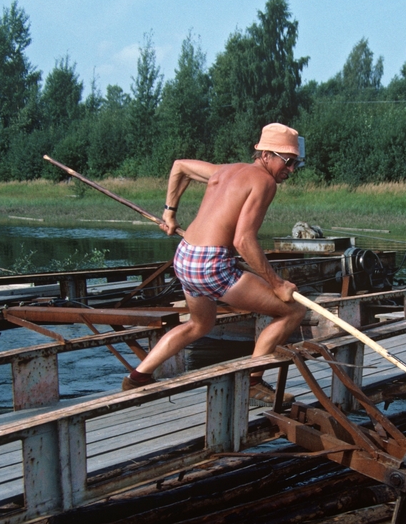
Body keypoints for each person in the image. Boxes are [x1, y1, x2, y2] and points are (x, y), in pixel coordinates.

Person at [121, 123, 308, 407]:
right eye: (289, 161)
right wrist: (277, 284)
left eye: (296, 163)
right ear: (267, 154)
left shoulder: (226, 169)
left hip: (185, 257)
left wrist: (169, 213)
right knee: (293, 311)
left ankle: (136, 378)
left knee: (200, 323)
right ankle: (253, 383)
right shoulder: (265, 182)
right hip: (210, 265)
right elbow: (244, 241)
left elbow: (180, 167)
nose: (291, 170)